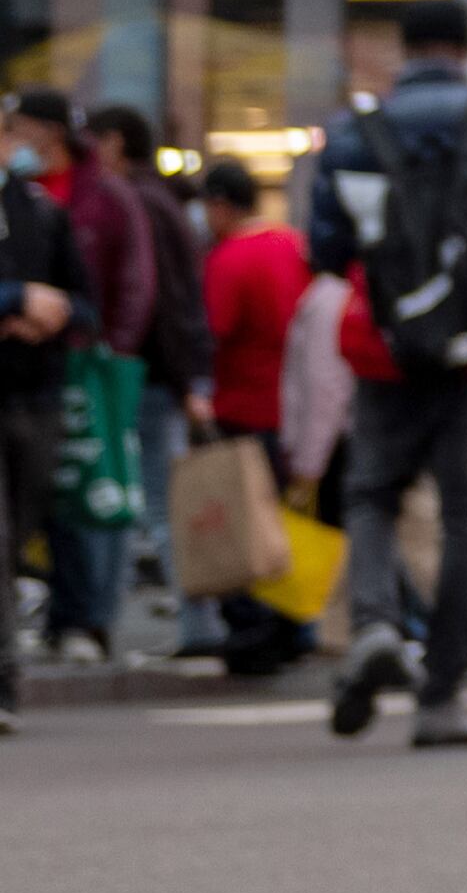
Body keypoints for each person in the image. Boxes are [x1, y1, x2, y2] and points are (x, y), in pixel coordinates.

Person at [305, 0, 467, 749]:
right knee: (464, 510)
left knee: (372, 494)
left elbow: (325, 250)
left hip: (386, 350)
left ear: (405, 46)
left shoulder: (354, 132)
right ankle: (443, 694)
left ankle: (375, 623)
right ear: (464, 45)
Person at [14, 88, 157, 665]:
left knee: (86, 489)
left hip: (75, 362)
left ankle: (86, 616)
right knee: (37, 500)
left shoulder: (100, 194)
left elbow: (123, 282)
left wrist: (111, 348)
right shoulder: (22, 193)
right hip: (29, 364)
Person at [84, 108, 216, 658]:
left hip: (148, 372)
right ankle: (188, 623)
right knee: (155, 501)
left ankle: (191, 625)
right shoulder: (164, 199)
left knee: (148, 502)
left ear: (114, 142)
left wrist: (180, 377)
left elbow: (157, 301)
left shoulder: (132, 200)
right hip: (166, 370)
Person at [189, 158, 320, 676]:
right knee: (290, 521)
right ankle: (294, 627)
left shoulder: (228, 258)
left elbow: (214, 328)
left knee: (245, 524)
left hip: (243, 403)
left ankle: (254, 631)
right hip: (297, 406)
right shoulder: (295, 244)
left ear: (220, 206)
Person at [0, 109, 103, 734]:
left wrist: (56, 311)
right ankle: (5, 681)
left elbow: (86, 301)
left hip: (37, 393)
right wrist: (16, 301)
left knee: (19, 532)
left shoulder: (41, 212)